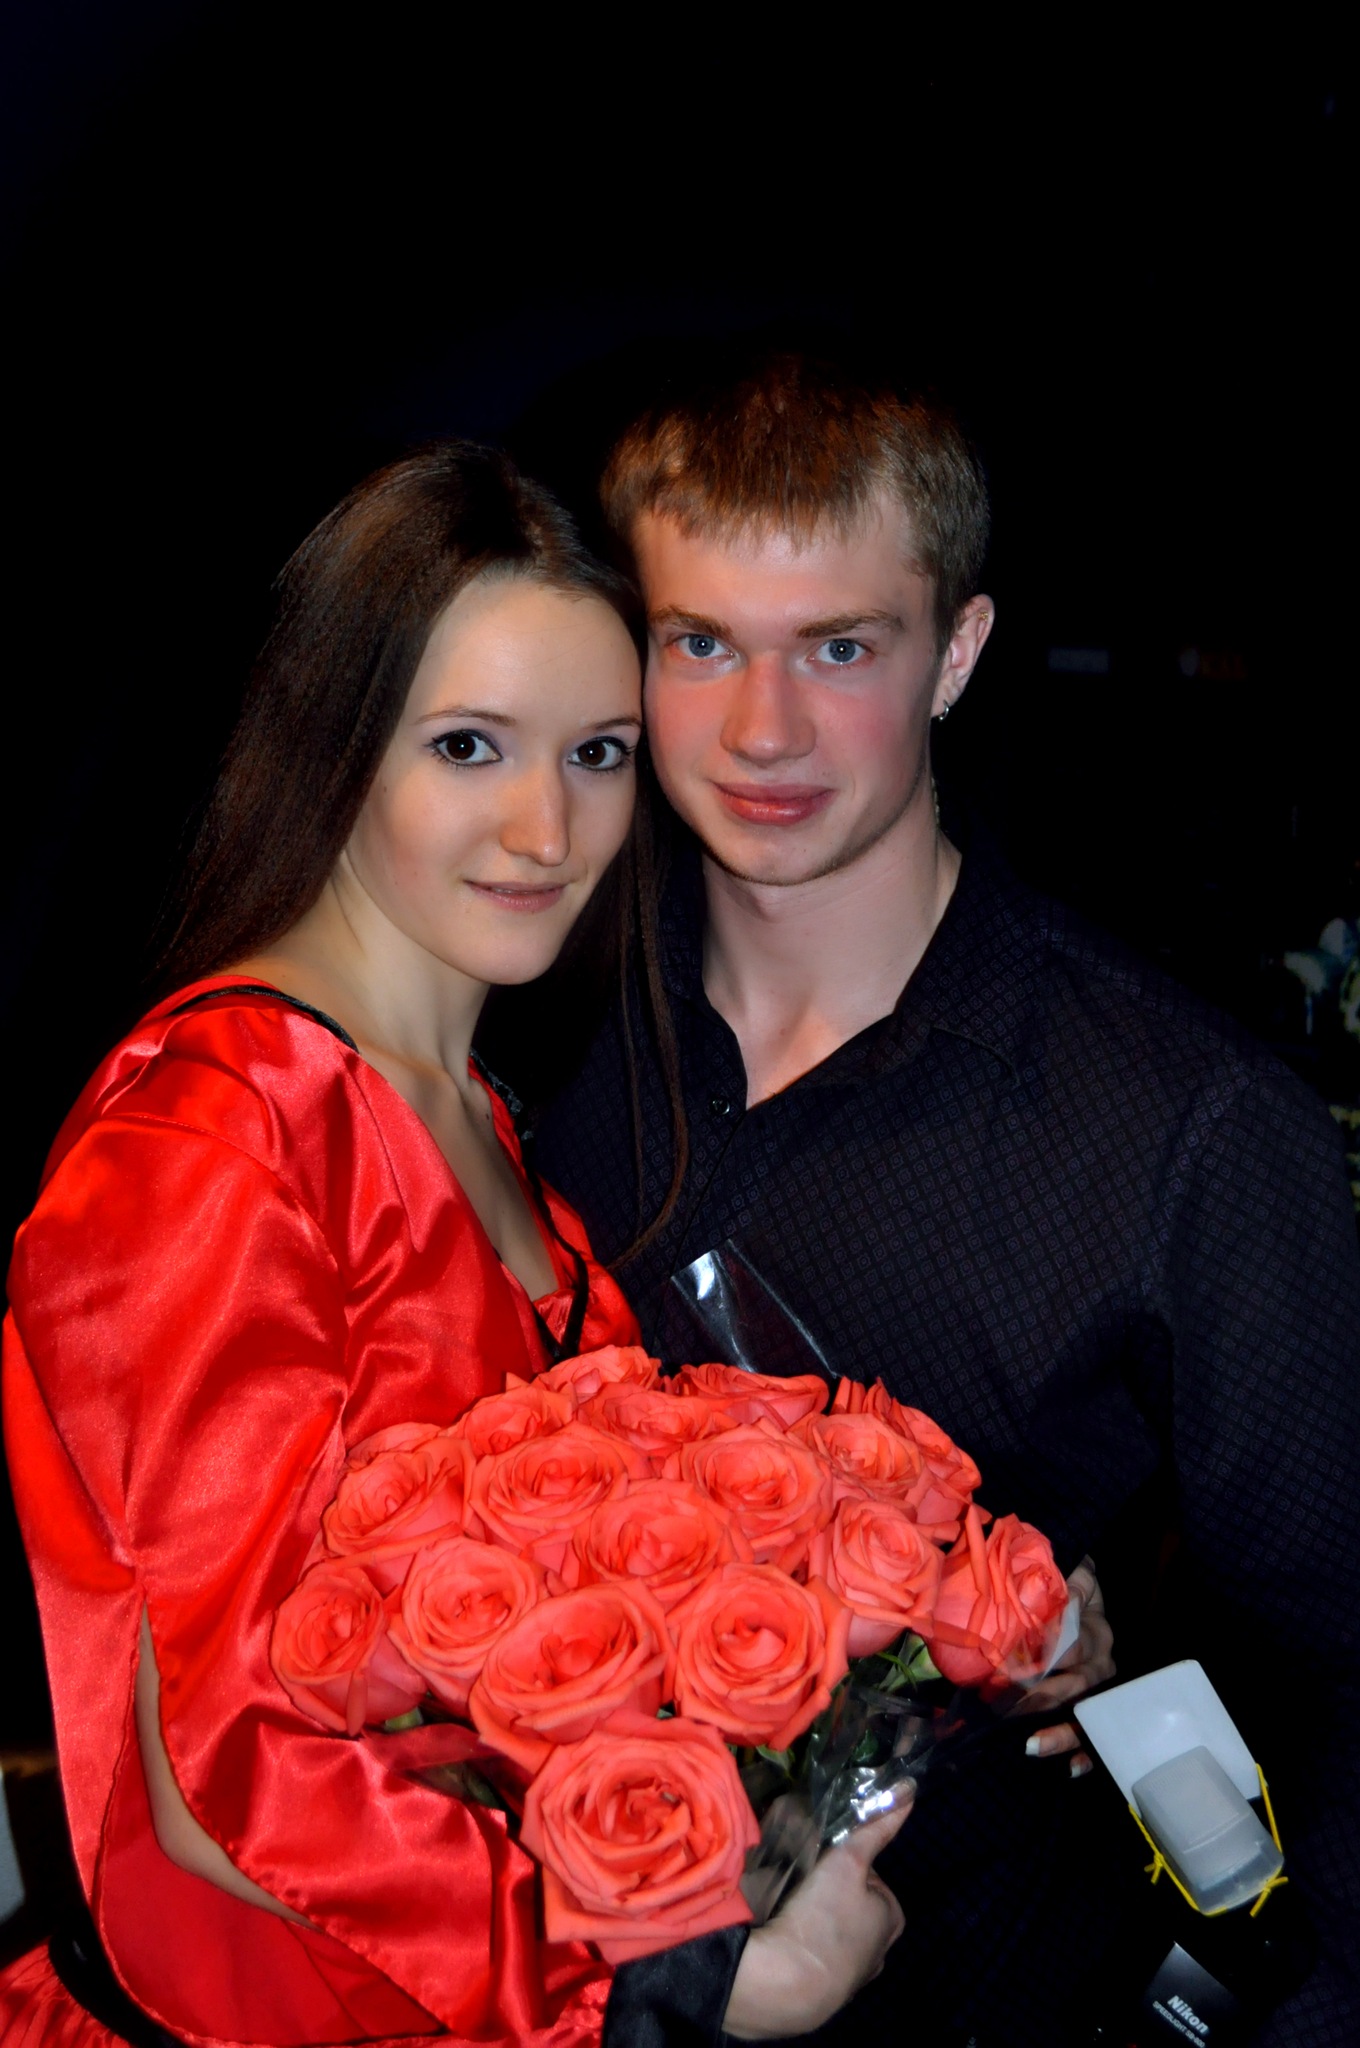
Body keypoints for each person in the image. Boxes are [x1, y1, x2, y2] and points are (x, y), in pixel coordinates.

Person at [0, 443, 906, 2048]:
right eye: (469, 746)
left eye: (599, 753)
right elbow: (223, 1770)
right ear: (334, 743)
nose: (547, 827)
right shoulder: (219, 1133)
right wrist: (651, 1984)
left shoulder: (475, 1115)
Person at [519, 351, 1360, 2047]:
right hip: (557, 1992)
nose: (763, 729)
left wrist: (1127, 1665)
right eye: (702, 644)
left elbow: (1330, 1681)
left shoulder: (1186, 1127)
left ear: (957, 653)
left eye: (840, 648)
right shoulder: (529, 1025)